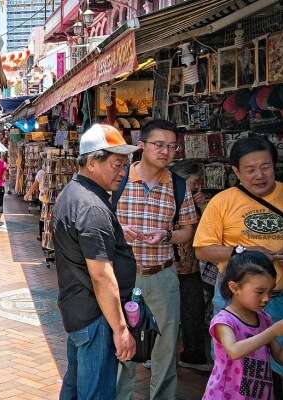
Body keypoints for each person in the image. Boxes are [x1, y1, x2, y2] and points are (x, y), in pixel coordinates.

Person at [115, 119, 200, 400]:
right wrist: (119, 231)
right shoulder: (119, 180)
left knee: (165, 347)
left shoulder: (178, 186)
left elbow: (187, 230)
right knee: (123, 344)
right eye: (159, 145)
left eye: (172, 146)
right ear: (142, 146)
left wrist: (165, 235)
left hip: (163, 276)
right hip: (125, 276)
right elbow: (99, 224)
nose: (166, 151)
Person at [52, 124, 138, 400]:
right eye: (116, 164)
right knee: (95, 391)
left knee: (77, 387)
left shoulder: (75, 194)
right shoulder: (91, 206)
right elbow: (101, 275)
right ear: (91, 162)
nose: (122, 172)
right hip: (95, 317)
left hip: (82, 312)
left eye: (124, 164)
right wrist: (120, 328)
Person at [194, 136, 283, 395]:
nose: (259, 175)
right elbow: (202, 250)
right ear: (236, 171)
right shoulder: (222, 202)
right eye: (250, 169)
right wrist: (242, 250)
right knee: (236, 371)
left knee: (272, 373)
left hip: (279, 299)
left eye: (265, 167)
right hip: (236, 303)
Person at [204, 249, 283, 400]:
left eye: (270, 292)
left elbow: (279, 355)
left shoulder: (264, 318)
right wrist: (272, 331)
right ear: (234, 288)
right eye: (260, 292)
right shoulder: (224, 321)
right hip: (226, 395)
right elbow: (234, 350)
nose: (266, 298)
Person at [170, 161, 212, 372]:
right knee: (166, 313)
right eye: (194, 182)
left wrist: (203, 206)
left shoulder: (198, 203)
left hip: (190, 268)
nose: (197, 187)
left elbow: (212, 231)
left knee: (193, 311)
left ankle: (193, 355)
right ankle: (152, 354)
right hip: (168, 267)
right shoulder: (167, 200)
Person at [25, 168, 46, 240]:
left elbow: (34, 185)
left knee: (43, 216)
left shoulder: (41, 172)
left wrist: (27, 194)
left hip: (44, 198)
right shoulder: (41, 173)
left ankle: (41, 235)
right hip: (49, 198)